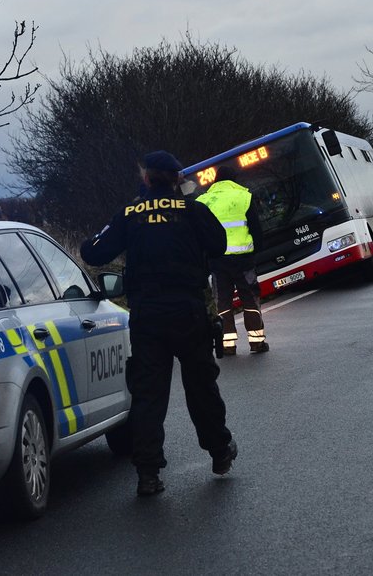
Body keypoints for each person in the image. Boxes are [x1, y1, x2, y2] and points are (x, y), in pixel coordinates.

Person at [80, 150, 238, 497]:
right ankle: (219, 452)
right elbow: (220, 245)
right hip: (188, 311)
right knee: (201, 387)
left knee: (149, 395)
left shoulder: (129, 215)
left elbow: (93, 252)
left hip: (148, 316)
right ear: (177, 179)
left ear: (147, 179)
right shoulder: (193, 211)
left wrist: (90, 237)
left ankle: (148, 474)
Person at [196, 165, 270, 355]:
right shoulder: (244, 196)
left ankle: (227, 345)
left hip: (217, 261)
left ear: (215, 181)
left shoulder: (202, 201)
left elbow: (199, 236)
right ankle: (256, 342)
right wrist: (256, 251)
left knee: (223, 302)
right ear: (233, 179)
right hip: (244, 260)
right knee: (250, 299)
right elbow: (256, 229)